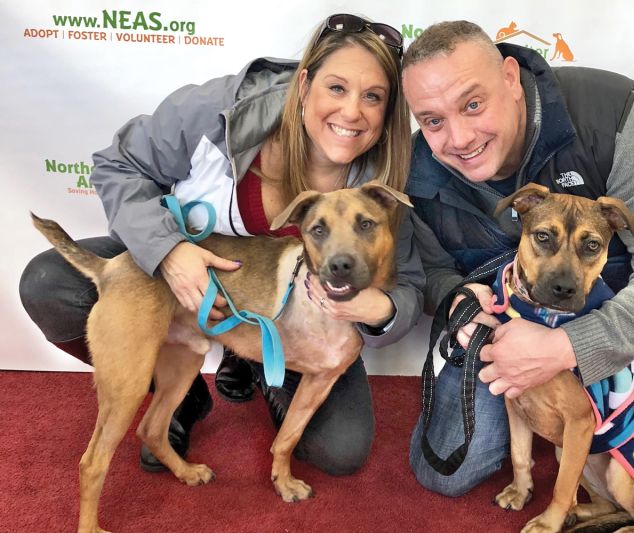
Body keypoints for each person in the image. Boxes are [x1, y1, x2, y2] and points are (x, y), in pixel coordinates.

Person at [19, 13, 423, 477]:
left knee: (340, 450)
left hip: (298, 321)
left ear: (388, 109)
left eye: (372, 97)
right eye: (336, 88)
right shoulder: (218, 110)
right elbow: (118, 167)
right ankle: (175, 388)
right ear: (305, 81)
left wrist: (381, 311)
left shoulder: (384, 182)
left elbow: (408, 286)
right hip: (176, 279)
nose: (352, 112)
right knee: (51, 282)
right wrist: (167, 251)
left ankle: (254, 365)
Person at [402, 21, 634, 515]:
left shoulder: (612, 116)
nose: (459, 137)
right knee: (444, 473)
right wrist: (458, 301)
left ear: (510, 77)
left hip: (629, 320)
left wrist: (567, 347)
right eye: (432, 120)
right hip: (505, 327)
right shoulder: (419, 168)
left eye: (472, 104)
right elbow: (429, 272)